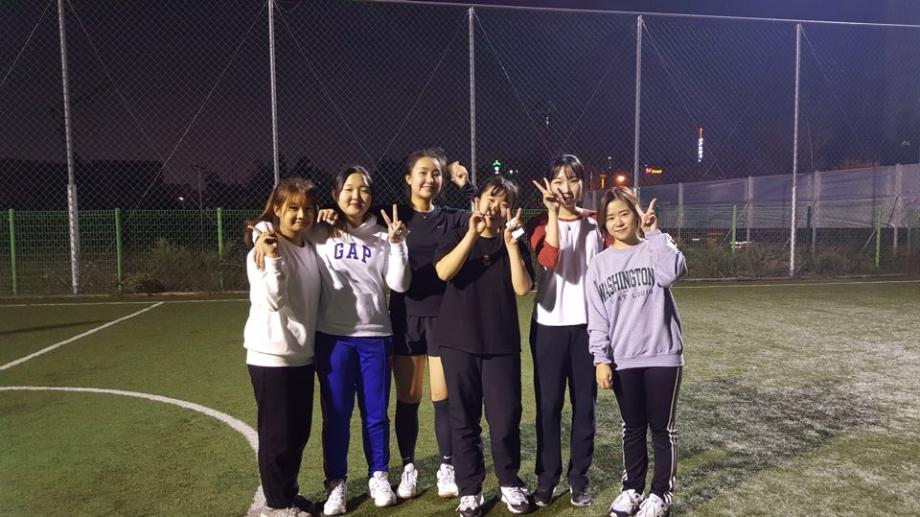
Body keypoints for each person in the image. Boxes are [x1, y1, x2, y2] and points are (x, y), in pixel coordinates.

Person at [254, 165, 410, 515]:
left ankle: (379, 475)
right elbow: (278, 225)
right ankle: (336, 483)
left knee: (376, 415)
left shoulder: (383, 234)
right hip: (332, 339)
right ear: (336, 195)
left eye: (364, 189)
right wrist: (261, 232)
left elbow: (399, 284)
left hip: (375, 336)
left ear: (371, 195)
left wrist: (398, 244)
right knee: (336, 417)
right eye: (348, 190)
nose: (356, 196)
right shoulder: (320, 229)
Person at [432, 176, 535, 517]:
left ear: (511, 211)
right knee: (464, 419)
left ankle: (509, 481)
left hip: (500, 343)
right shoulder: (456, 234)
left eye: (504, 203)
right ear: (477, 201)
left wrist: (511, 245)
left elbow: (522, 288)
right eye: (491, 199)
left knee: (504, 419)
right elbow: (444, 272)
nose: (495, 207)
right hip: (458, 341)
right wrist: (472, 235)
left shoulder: (514, 242)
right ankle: (470, 490)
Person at [585, 187, 686, 517]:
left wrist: (654, 233)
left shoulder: (654, 248)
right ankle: (632, 489)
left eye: (624, 214)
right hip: (623, 359)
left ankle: (661, 494)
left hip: (662, 355)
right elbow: (597, 318)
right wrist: (601, 359)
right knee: (632, 427)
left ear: (636, 213)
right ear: (603, 223)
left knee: (662, 428)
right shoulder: (598, 265)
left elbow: (673, 272)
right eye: (610, 217)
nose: (618, 222)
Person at [389, 147, 474, 500]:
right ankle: (408, 467)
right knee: (409, 398)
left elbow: (484, 216)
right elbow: (353, 214)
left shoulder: (452, 217)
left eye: (436, 173)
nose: (430, 179)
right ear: (409, 178)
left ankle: (446, 467)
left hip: (444, 316)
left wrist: (467, 185)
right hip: (405, 316)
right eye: (423, 172)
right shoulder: (394, 214)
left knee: (443, 397)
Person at [525, 154, 603, 508]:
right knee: (549, 406)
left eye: (573, 179)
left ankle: (579, 479)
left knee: (585, 408)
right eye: (558, 180)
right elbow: (550, 260)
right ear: (548, 185)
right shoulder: (539, 224)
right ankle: (547, 479)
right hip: (549, 326)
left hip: (588, 328)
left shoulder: (597, 223)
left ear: (583, 183)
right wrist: (554, 214)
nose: (566, 188)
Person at [244, 177, 321, 517]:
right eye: (293, 208)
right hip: (271, 356)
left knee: (298, 433)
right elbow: (273, 300)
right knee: (278, 436)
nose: (301, 215)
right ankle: (276, 506)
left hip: (302, 355)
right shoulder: (263, 249)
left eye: (308, 208)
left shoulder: (309, 246)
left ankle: (287, 494)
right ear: (277, 209)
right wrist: (272, 255)